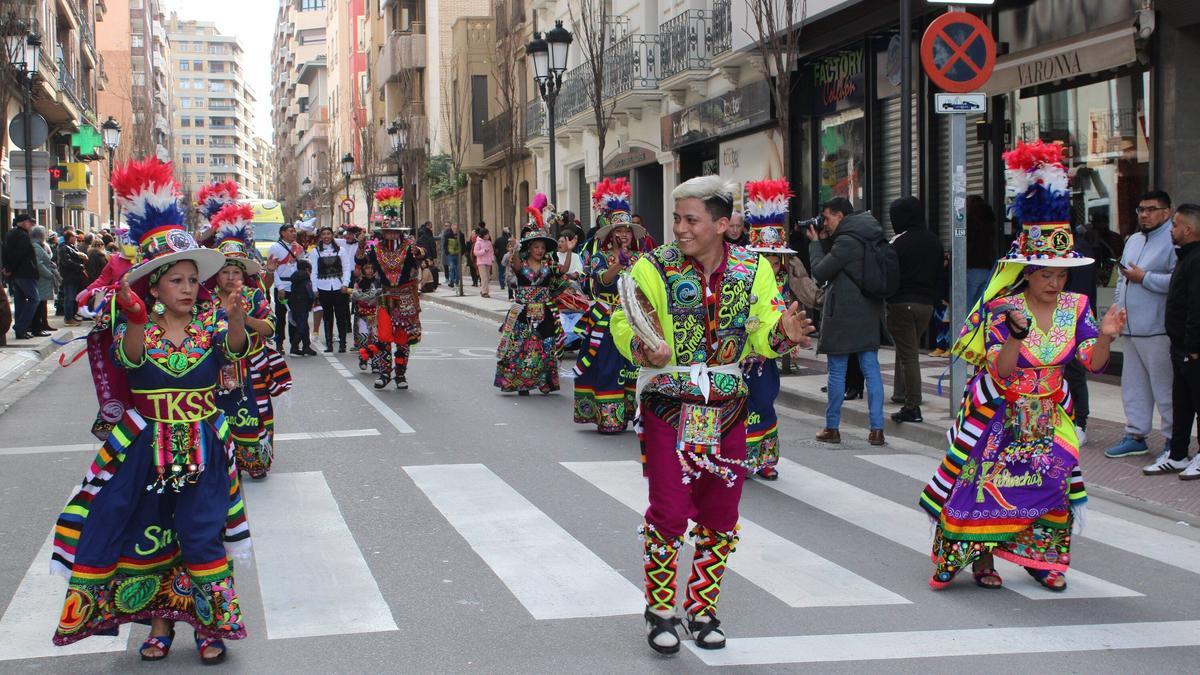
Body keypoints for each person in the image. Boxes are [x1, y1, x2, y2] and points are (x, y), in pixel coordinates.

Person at [50, 157, 251, 663]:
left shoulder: (209, 326)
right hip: (145, 446)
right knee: (149, 532)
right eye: (176, 281)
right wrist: (135, 319)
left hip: (202, 441)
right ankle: (158, 626)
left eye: (191, 280)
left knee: (202, 532)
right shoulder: (138, 327)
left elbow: (234, 355)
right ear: (155, 289)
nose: (188, 288)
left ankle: (210, 628)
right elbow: (130, 359)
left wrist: (235, 322)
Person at [611, 175, 812, 654]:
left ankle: (702, 607)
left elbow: (763, 330)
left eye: (690, 219)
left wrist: (782, 333)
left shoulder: (753, 269)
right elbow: (625, 318)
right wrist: (644, 347)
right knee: (670, 508)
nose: (679, 228)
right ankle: (660, 608)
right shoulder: (652, 267)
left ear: (722, 224)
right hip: (668, 400)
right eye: (677, 218)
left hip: (726, 403)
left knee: (722, 512)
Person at [920, 140, 1123, 593]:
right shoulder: (1004, 307)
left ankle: (1043, 560)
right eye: (1045, 273)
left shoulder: (1077, 306)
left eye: (1061, 274)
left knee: (1049, 488)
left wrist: (1106, 334)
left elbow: (1090, 362)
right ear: (1026, 272)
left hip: (1050, 413)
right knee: (985, 485)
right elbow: (1003, 369)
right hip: (1001, 412)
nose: (1055, 282)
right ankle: (980, 560)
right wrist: (1014, 334)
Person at [209, 204, 283, 480]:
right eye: (225, 272)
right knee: (221, 416)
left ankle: (255, 460)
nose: (230, 278)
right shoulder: (205, 301)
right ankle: (225, 461)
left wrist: (244, 319)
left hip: (252, 368)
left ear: (243, 275)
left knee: (256, 414)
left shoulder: (255, 298)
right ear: (216, 275)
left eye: (235, 273)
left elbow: (270, 329)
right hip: (217, 371)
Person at [807, 197, 886, 446]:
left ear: (840, 216)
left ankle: (832, 427)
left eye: (828, 218)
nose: (825, 223)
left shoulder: (847, 241)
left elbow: (820, 272)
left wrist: (816, 244)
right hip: (869, 312)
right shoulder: (869, 233)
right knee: (871, 369)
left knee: (838, 371)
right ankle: (877, 429)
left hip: (843, 315)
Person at [1105, 189, 1177, 459]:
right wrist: (1116, 310)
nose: (1144, 214)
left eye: (1151, 209)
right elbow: (1122, 279)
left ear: (1166, 212)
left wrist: (1145, 278)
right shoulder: (1134, 239)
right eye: (1140, 209)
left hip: (1159, 329)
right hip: (1130, 327)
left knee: (1165, 387)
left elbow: (1178, 281)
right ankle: (1135, 434)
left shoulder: (1173, 239)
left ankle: (1173, 440)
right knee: (1133, 385)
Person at [572, 179, 647, 433]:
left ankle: (632, 413)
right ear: (610, 233)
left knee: (634, 367)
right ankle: (608, 416)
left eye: (628, 230)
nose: (624, 234)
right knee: (608, 366)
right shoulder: (599, 257)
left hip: (634, 318)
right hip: (606, 318)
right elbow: (601, 281)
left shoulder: (642, 258)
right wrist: (619, 264)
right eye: (619, 230)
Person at [742, 178, 801, 480]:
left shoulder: (781, 285)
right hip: (741, 357)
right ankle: (739, 457)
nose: (771, 264)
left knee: (765, 403)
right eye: (764, 258)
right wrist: (752, 326)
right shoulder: (740, 280)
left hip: (766, 360)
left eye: (775, 258)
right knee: (741, 406)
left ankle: (764, 458)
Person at [1144, 204, 1200, 478]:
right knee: (1182, 402)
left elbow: (1196, 306)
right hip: (1179, 345)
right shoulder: (1185, 256)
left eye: (1175, 225)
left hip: (1192, 348)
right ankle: (1178, 454)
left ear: (1188, 229)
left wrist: (1193, 348)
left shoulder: (1197, 259)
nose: (1172, 230)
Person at [495, 211, 566, 395]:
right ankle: (521, 382)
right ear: (530, 248)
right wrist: (515, 248)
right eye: (536, 247)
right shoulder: (522, 264)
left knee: (546, 345)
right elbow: (515, 264)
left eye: (542, 247)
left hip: (544, 310)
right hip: (523, 310)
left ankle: (544, 382)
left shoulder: (549, 266)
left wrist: (570, 250)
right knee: (521, 346)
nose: (540, 250)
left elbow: (563, 271)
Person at [887, 196, 943, 424]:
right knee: (908, 351)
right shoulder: (934, 241)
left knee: (909, 355)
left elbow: (889, 274)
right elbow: (940, 273)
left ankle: (912, 405)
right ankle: (902, 393)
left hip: (902, 304)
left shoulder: (898, 243)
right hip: (926, 305)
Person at [363, 187, 425, 390]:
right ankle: (384, 373)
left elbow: (421, 257)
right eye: (388, 231)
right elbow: (362, 263)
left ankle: (400, 375)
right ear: (383, 233)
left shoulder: (410, 247)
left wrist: (419, 253)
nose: (391, 234)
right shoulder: (375, 249)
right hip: (386, 297)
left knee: (403, 339)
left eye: (395, 231)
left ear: (400, 233)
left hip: (406, 298)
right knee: (383, 337)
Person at [308, 225, 354, 353]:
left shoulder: (341, 250)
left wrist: (345, 283)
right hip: (324, 288)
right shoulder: (315, 252)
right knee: (327, 317)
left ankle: (342, 344)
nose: (326, 236)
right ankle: (329, 344)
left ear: (332, 235)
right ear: (320, 236)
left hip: (339, 288)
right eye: (324, 234)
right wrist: (315, 288)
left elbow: (346, 268)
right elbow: (314, 272)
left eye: (328, 234)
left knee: (341, 316)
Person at [265, 223, 303, 353]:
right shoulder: (275, 247)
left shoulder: (298, 248)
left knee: (295, 316)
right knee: (281, 317)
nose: (294, 233)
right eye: (291, 231)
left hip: (296, 287)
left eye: (294, 231)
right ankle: (279, 343)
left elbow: (301, 266)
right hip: (282, 286)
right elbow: (271, 269)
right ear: (283, 233)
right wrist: (279, 286)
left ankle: (295, 344)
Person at [3, 214, 41, 340]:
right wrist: (9, 269)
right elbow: (18, 255)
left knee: (20, 301)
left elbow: (6, 252)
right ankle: (20, 327)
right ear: (24, 222)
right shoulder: (23, 236)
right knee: (34, 299)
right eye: (30, 222)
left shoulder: (10, 234)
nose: (31, 225)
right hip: (25, 273)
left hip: (16, 274)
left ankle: (20, 330)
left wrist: (7, 268)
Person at [965, 195, 998, 305]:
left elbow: (969, 245)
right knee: (979, 308)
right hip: (989, 268)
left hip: (972, 268)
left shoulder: (969, 223)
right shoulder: (990, 224)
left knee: (966, 306)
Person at [352, 261, 383, 370]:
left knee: (375, 338)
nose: (369, 270)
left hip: (374, 315)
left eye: (371, 268)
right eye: (367, 268)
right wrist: (364, 297)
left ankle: (375, 362)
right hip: (362, 314)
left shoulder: (379, 282)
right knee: (364, 338)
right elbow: (355, 296)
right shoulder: (359, 282)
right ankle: (363, 358)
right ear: (363, 270)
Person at [58, 229, 88, 326]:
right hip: (69, 276)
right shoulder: (64, 247)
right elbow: (66, 261)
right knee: (69, 297)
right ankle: (68, 318)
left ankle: (72, 315)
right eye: (74, 236)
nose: (76, 238)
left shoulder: (71, 247)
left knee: (73, 297)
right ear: (69, 237)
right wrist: (79, 266)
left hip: (74, 276)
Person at [287, 259, 317, 356]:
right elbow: (309, 292)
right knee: (302, 326)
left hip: (294, 304)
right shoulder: (306, 278)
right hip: (303, 304)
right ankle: (294, 347)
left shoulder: (294, 277)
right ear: (307, 269)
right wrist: (312, 300)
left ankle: (306, 346)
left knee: (304, 326)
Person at [474, 227, 496, 297]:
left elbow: (492, 252)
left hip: (488, 262)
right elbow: (475, 252)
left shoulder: (489, 242)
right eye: (487, 234)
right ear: (483, 235)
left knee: (488, 278)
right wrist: (483, 251)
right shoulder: (478, 242)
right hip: (481, 262)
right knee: (484, 277)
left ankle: (484, 290)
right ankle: (484, 292)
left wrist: (492, 258)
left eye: (488, 234)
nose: (488, 235)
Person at [444, 223, 464, 287]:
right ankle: (451, 281)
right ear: (451, 228)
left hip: (458, 254)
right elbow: (445, 244)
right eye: (454, 228)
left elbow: (463, 244)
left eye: (456, 228)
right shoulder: (447, 235)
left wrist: (462, 252)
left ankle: (457, 280)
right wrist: (447, 252)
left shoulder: (461, 235)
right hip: (451, 254)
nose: (455, 229)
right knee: (452, 267)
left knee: (458, 268)